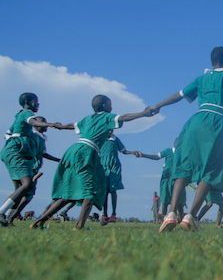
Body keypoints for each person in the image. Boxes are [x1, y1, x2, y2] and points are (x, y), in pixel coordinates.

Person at [151, 47, 223, 232]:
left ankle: (171, 213)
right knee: (211, 169)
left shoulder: (202, 79)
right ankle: (191, 216)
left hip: (194, 123)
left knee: (184, 166)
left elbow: (178, 95)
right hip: (216, 123)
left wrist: (158, 105)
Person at [31, 95, 154, 230]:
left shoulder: (88, 119)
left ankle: (38, 223)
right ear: (104, 106)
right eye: (110, 104)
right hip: (86, 152)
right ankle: (79, 227)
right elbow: (124, 117)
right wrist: (143, 113)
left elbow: (72, 125)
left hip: (73, 151)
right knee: (90, 193)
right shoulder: (106, 117)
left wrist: (59, 126)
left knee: (68, 194)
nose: (111, 107)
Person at [0, 93, 59, 226]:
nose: (38, 104)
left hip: (13, 153)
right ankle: (2, 212)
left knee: (23, 189)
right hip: (16, 154)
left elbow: (8, 133)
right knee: (26, 185)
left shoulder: (20, 118)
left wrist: (11, 138)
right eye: (35, 102)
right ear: (27, 102)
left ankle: (7, 219)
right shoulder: (26, 113)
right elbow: (32, 122)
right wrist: (51, 124)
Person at [8, 116, 61, 225]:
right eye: (43, 123)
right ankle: (9, 217)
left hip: (34, 168)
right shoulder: (35, 137)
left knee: (25, 194)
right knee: (26, 194)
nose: (46, 126)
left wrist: (58, 160)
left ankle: (10, 218)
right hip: (30, 168)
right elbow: (36, 153)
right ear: (37, 126)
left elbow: (43, 153)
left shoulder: (41, 138)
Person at [135, 138, 186, 220]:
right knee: (165, 199)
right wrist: (143, 155)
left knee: (180, 200)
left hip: (178, 179)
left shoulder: (183, 154)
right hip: (167, 178)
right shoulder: (168, 151)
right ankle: (164, 218)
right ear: (175, 144)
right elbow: (156, 157)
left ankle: (180, 219)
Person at [100, 132, 137, 226]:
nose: (110, 132)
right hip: (103, 165)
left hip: (114, 166)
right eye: (108, 130)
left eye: (111, 130)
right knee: (104, 191)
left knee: (113, 190)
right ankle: (104, 214)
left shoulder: (115, 139)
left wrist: (132, 152)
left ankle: (113, 214)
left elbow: (123, 150)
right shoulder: (100, 139)